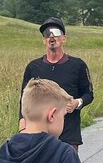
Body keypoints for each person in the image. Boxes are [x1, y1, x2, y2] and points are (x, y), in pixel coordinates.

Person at [20, 17, 94, 152]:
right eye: (47, 34)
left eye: (55, 32)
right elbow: (24, 99)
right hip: (39, 134)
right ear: (44, 40)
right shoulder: (33, 67)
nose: (51, 37)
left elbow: (89, 94)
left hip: (69, 132)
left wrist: (77, 102)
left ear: (64, 38)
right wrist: (22, 123)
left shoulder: (78, 65)